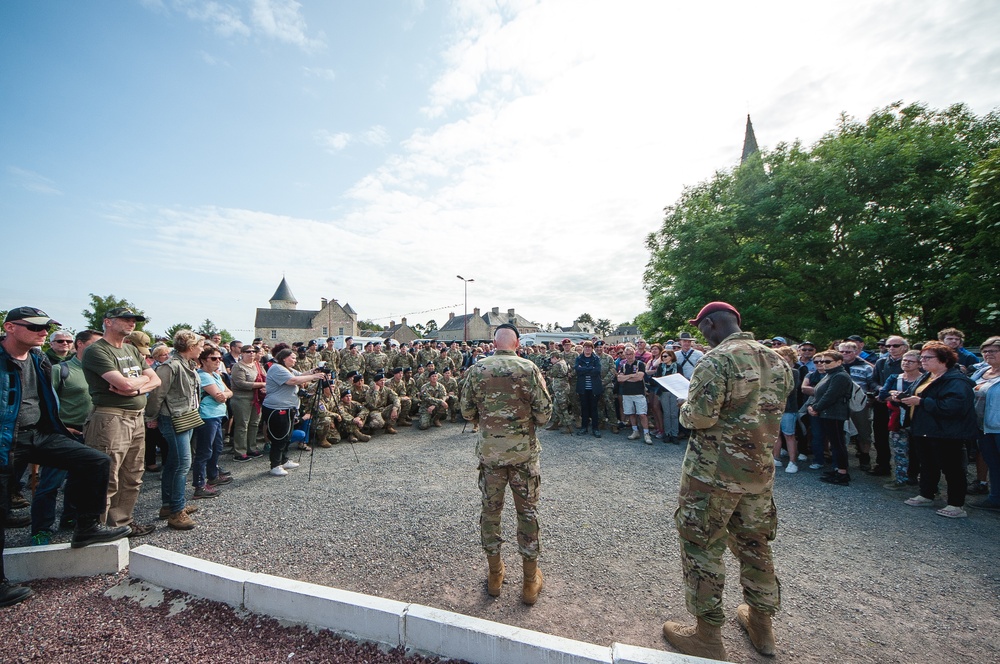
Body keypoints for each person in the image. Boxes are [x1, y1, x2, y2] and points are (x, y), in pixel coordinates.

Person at [663, 302, 792, 660]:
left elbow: (701, 417)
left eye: (701, 327)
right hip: (757, 473)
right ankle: (762, 626)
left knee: (702, 546)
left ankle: (707, 636)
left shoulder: (716, 360)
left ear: (712, 324)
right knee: (755, 545)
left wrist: (684, 407)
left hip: (713, 474)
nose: (701, 334)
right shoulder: (778, 360)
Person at [2, 307, 131, 608]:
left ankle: (85, 527)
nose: (42, 332)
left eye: (45, 327)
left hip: (39, 433)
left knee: (95, 461)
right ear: (9, 327)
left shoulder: (39, 358)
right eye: (34, 327)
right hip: (7, 439)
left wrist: (58, 429)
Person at [460, 324, 552, 605]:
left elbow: (466, 411)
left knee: (491, 513)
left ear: (493, 342)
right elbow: (545, 413)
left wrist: (486, 421)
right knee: (527, 514)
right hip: (523, 455)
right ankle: (528, 583)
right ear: (517, 343)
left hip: (491, 455)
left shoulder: (477, 370)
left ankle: (495, 576)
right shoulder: (528, 368)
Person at [81, 306, 161, 537]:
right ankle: (98, 528)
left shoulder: (130, 349)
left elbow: (154, 380)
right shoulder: (97, 350)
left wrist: (134, 390)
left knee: (133, 474)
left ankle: (121, 524)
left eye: (133, 320)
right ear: (107, 322)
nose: (131, 323)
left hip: (136, 417)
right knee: (107, 475)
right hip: (110, 418)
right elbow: (125, 383)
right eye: (125, 319)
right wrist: (135, 383)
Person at [31, 329, 104, 545]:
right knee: (50, 483)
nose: (100, 349)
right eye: (95, 344)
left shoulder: (100, 370)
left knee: (79, 480)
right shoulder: (59, 370)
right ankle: (41, 528)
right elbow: (41, 402)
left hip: (91, 431)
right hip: (63, 432)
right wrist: (60, 427)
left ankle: (70, 517)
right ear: (80, 345)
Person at [900, 341, 978, 518]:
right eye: (922, 357)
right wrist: (903, 399)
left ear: (944, 359)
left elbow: (954, 407)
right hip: (924, 429)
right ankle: (927, 494)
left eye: (928, 357)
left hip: (947, 432)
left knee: (952, 468)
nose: (923, 361)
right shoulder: (927, 376)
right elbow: (918, 395)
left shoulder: (957, 381)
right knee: (927, 464)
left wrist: (921, 402)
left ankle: (956, 504)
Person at [144, 330, 203, 529]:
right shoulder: (170, 367)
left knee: (174, 463)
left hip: (186, 416)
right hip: (174, 419)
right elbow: (156, 395)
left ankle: (170, 506)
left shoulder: (187, 365)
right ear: (191, 347)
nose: (202, 349)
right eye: (200, 345)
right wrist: (151, 417)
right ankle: (176, 512)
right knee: (182, 464)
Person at [262, 348, 323, 476]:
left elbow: (299, 375)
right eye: (292, 357)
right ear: (284, 358)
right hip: (277, 408)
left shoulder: (288, 369)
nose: (295, 360)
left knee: (287, 436)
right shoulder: (277, 368)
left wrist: (312, 371)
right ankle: (275, 465)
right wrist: (314, 376)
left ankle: (283, 460)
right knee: (279, 437)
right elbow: (293, 381)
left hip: (288, 408)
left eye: (295, 358)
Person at [879, 350, 924, 490]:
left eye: (910, 361)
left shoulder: (925, 379)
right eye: (904, 360)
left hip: (919, 420)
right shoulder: (894, 378)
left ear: (918, 364)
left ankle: (922, 481)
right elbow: (882, 394)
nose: (906, 363)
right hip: (899, 420)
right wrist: (893, 395)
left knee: (921, 452)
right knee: (899, 450)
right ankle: (901, 479)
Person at [808, 352, 854, 485]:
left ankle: (842, 472)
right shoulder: (830, 375)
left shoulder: (840, 376)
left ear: (839, 362)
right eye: (821, 361)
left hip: (834, 414)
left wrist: (815, 408)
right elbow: (818, 393)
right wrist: (813, 406)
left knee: (838, 443)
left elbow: (830, 395)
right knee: (834, 443)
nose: (823, 364)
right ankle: (839, 469)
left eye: (827, 361)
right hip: (827, 413)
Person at [192, 346, 233, 498]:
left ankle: (212, 475)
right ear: (203, 360)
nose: (218, 361)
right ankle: (199, 485)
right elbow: (219, 396)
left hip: (217, 415)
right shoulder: (203, 376)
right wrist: (224, 394)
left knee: (216, 447)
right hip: (207, 416)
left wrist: (224, 394)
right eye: (214, 358)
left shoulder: (215, 375)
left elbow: (229, 392)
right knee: (204, 450)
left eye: (219, 358)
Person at [970, 336, 1000, 510]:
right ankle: (995, 499)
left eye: (993, 351)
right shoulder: (981, 372)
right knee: (993, 463)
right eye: (985, 351)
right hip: (984, 426)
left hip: (998, 426)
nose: (988, 354)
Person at [229, 344, 266, 462]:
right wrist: (261, 385)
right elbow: (241, 383)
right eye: (248, 351)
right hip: (241, 399)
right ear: (242, 353)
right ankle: (240, 451)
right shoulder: (238, 367)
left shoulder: (258, 365)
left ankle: (252, 448)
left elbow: (266, 377)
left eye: (253, 351)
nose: (251, 353)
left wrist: (264, 386)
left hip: (256, 399)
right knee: (242, 425)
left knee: (254, 423)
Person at [617, 345, 652, 444]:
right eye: (627, 354)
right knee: (631, 413)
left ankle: (646, 433)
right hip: (627, 393)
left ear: (634, 353)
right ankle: (635, 431)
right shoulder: (623, 365)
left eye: (631, 354)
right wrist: (632, 375)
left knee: (642, 414)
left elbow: (639, 377)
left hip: (639, 393)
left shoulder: (640, 364)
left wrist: (626, 378)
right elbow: (619, 379)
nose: (629, 356)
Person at [574, 341, 603, 437]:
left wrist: (584, 369)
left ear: (592, 348)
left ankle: (595, 429)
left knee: (594, 408)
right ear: (583, 348)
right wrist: (590, 368)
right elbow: (577, 370)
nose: (587, 349)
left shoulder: (596, 358)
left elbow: (597, 371)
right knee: (584, 408)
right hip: (583, 388)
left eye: (589, 347)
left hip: (594, 388)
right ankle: (584, 428)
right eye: (586, 347)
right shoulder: (579, 358)